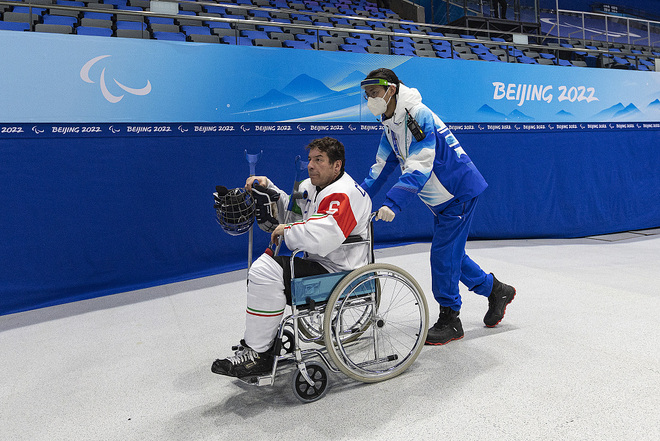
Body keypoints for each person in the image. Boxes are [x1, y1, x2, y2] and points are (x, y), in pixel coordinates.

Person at [360, 68, 516, 345]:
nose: (369, 99)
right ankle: (496, 290)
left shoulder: (417, 116)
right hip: (440, 198)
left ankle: (451, 319)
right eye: (367, 94)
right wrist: (358, 196)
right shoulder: (391, 121)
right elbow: (382, 165)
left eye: (374, 93)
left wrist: (393, 203)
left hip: (458, 191)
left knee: (443, 257)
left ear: (391, 90)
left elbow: (421, 162)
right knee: (453, 254)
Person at [212, 137, 372, 378]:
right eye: (310, 159)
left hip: (341, 273)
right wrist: (270, 190)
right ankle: (259, 346)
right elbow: (292, 214)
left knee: (265, 270)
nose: (310, 165)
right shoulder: (307, 186)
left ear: (337, 166)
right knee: (264, 271)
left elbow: (323, 237)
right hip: (318, 263)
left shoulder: (346, 194)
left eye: (319, 160)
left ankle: (258, 353)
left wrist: (286, 231)